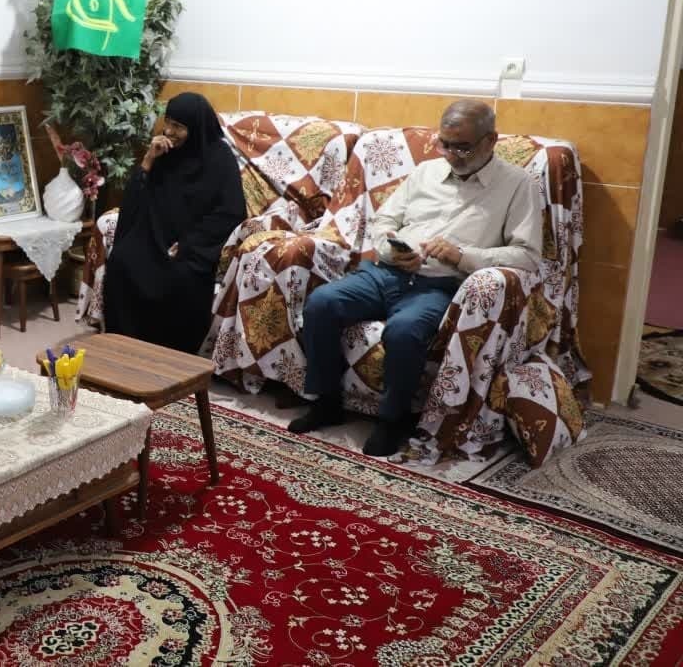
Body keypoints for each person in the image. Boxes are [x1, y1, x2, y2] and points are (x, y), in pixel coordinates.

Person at [288, 99, 543, 456]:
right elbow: (384, 221)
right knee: (322, 303)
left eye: (462, 147)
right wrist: (391, 250)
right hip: (387, 273)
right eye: (444, 144)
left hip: (440, 285)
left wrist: (463, 255)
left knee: (405, 330)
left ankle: (391, 421)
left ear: (490, 140)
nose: (451, 155)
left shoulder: (518, 185)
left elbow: (528, 255)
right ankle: (327, 401)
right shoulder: (426, 172)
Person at [102, 92, 246, 354]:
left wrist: (190, 243)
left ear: (196, 127)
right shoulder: (164, 153)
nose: (169, 131)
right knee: (122, 261)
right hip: (154, 236)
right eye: (167, 122)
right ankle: (124, 349)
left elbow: (231, 211)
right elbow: (134, 201)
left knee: (181, 278)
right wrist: (148, 160)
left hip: (191, 245)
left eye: (178, 126)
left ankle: (170, 359)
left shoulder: (219, 158)